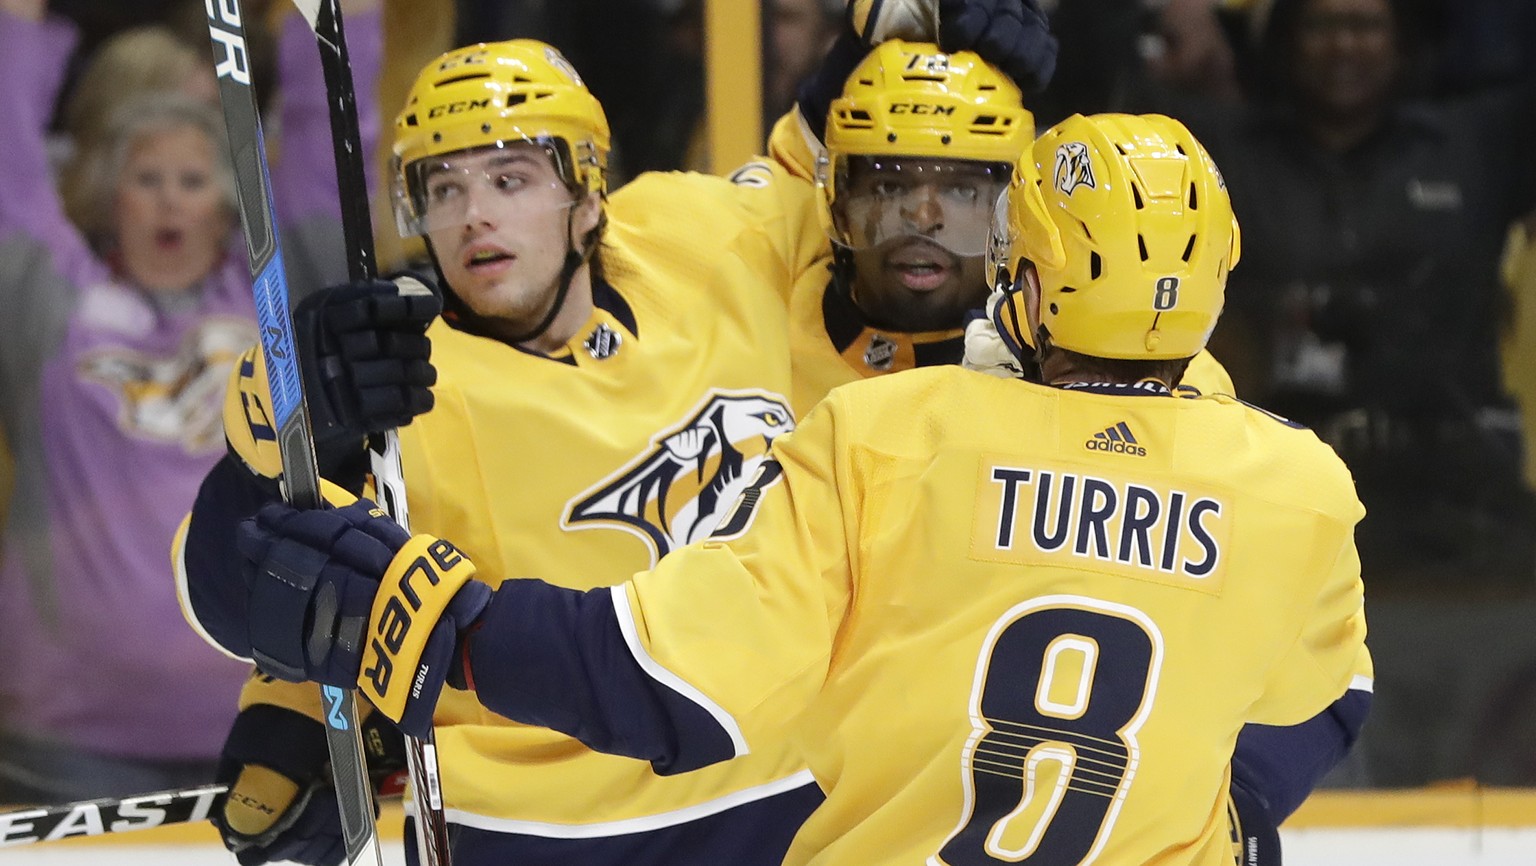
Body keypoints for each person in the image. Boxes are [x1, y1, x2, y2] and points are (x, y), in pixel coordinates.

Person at [218, 111, 1371, 866]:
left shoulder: (892, 438)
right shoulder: (1300, 489)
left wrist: (438, 627)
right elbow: (1325, 701)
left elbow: (663, 685)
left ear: (1028, 276)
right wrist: (1226, 816)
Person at [0, 0, 382, 802]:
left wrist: (332, 17)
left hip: (271, 724)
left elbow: (329, 168)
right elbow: (9, 181)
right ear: (112, 196)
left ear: (229, 202)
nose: (171, 201)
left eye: (193, 179)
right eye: (147, 179)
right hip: (70, 745)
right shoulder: (47, 308)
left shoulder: (283, 304)